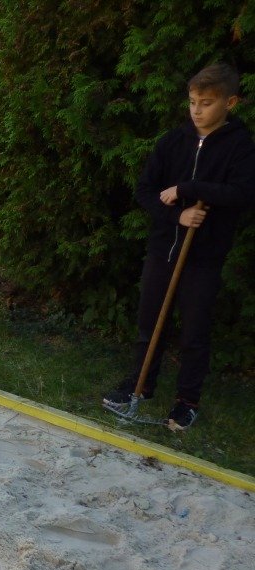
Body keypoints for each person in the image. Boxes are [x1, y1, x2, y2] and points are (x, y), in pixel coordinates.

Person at [102, 63, 255, 431]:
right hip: (163, 249)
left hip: (204, 256)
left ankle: (187, 400)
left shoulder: (239, 146)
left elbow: (242, 193)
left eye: (206, 103)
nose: (196, 110)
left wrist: (190, 189)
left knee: (194, 332)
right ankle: (140, 385)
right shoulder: (173, 141)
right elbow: (145, 190)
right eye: (192, 102)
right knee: (149, 322)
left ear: (230, 102)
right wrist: (178, 216)